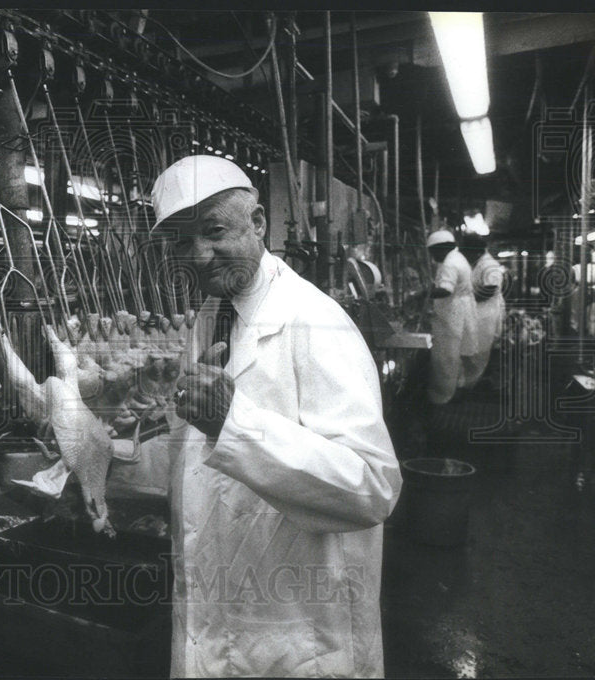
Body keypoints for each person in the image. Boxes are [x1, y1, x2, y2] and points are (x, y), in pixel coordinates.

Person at [119, 155, 402, 678]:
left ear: (258, 224)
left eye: (214, 231)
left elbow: (373, 486)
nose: (200, 255)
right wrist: (108, 460)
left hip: (300, 632)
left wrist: (235, 424)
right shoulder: (209, 316)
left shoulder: (315, 322)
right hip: (222, 607)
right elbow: (198, 457)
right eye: (182, 242)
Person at [424, 230, 479, 404]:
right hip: (461, 309)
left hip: (452, 313)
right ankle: (458, 388)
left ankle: (442, 396)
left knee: (445, 356)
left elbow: (446, 290)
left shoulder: (449, 263)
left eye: (433, 252)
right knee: (458, 352)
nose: (432, 257)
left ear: (440, 248)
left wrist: (424, 294)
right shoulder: (457, 257)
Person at [459, 233, 506, 388]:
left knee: (478, 353)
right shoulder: (479, 263)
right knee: (472, 352)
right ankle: (468, 384)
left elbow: (489, 289)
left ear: (475, 251)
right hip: (479, 316)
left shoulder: (490, 265)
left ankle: (469, 387)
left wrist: (463, 297)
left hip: (486, 317)